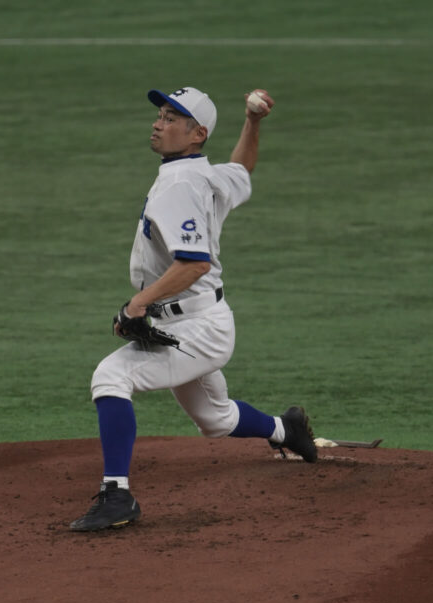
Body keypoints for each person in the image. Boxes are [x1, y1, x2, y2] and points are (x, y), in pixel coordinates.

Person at [69, 86, 317, 532]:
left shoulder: (181, 184)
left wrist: (136, 305)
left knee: (111, 377)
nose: (157, 123)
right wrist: (253, 122)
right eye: (159, 115)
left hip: (196, 326)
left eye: (170, 117)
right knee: (215, 418)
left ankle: (117, 494)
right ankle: (287, 430)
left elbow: (195, 262)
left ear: (197, 132)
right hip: (194, 319)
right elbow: (241, 169)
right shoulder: (205, 173)